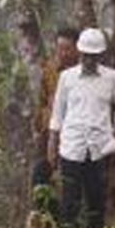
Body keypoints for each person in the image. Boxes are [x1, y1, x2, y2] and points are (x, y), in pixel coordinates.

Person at [48, 28, 115, 228]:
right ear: (80, 53)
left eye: (93, 56)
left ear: (100, 56)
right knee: (69, 203)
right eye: (85, 54)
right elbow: (58, 114)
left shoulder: (111, 78)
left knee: (96, 202)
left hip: (99, 150)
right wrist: (52, 143)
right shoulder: (66, 78)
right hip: (71, 149)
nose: (88, 59)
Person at [31, 27, 80, 212]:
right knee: (40, 176)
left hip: (74, 138)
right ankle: (47, 220)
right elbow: (42, 100)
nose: (63, 53)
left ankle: (70, 227)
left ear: (78, 49)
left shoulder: (85, 73)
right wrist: (39, 126)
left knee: (71, 185)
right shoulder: (50, 70)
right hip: (49, 135)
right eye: (59, 48)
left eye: (67, 49)